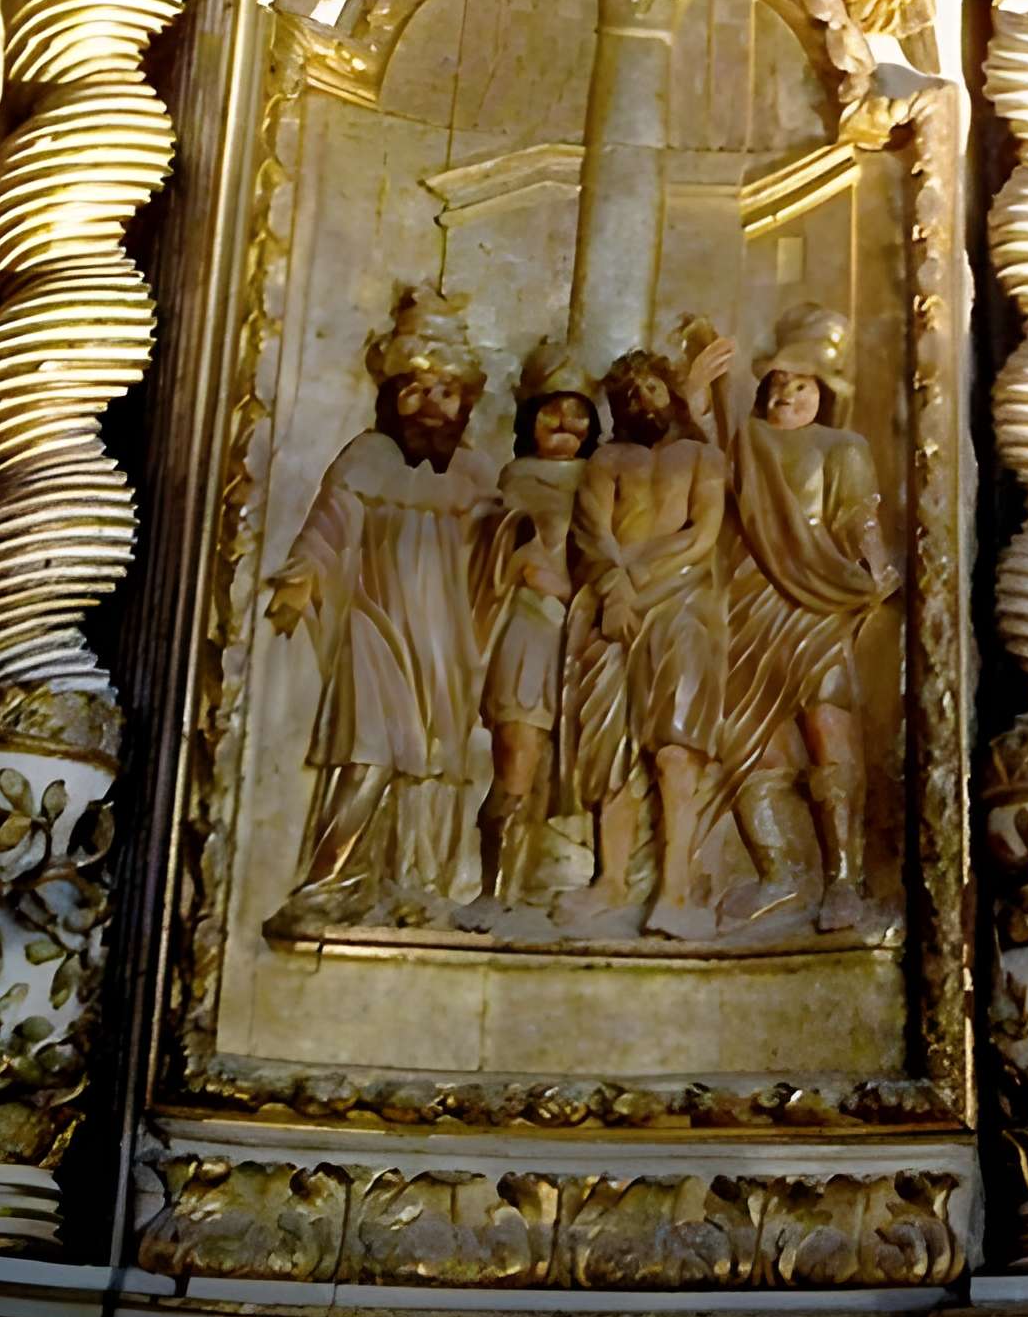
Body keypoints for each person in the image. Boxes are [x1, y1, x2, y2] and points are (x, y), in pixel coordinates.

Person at [267, 289, 498, 922]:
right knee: (368, 748)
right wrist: (299, 582)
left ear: (465, 404)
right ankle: (323, 883)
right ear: (391, 398)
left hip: (445, 640)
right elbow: (327, 528)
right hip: (372, 623)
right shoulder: (366, 459)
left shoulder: (476, 474)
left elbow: (497, 552)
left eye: (446, 393)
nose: (430, 405)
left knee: (430, 759)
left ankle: (412, 886)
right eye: (415, 391)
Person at [708, 307, 898, 933]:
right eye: (780, 384)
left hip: (816, 598)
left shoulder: (843, 448)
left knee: (828, 729)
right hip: (749, 597)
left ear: (827, 394)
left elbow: (855, 516)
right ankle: (779, 872)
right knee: (750, 742)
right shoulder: (745, 442)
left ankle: (842, 877)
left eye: (804, 385)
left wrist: (875, 563)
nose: (789, 395)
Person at [563, 345, 732, 937]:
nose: (642, 402)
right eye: (628, 395)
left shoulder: (701, 456)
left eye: (652, 389)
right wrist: (612, 585)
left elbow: (701, 535)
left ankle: (676, 890)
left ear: (673, 393)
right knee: (607, 743)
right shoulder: (608, 460)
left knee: (675, 748)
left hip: (681, 605)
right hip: (616, 610)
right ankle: (610, 880)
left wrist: (633, 580)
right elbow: (591, 532)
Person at [475, 346, 597, 909]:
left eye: (579, 414)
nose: (566, 426)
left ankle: (563, 885)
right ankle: (493, 889)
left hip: (585, 635)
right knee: (516, 757)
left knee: (577, 766)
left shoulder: (604, 476)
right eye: (553, 412)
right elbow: (508, 549)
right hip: (532, 629)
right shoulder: (518, 477)